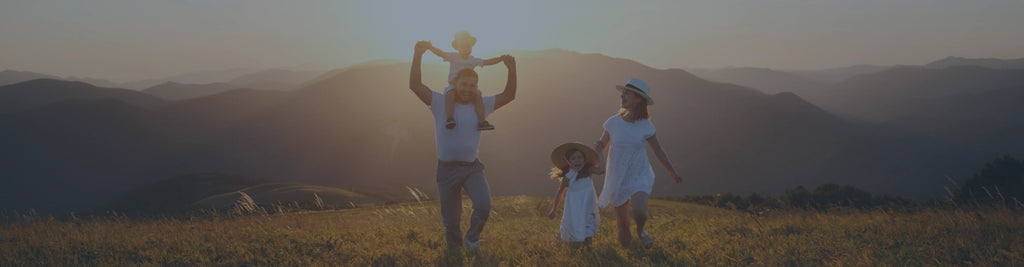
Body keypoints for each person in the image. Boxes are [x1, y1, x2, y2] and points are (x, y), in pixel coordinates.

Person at [408, 40, 517, 250]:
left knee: (484, 206)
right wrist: (418, 55)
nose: (468, 89)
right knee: (451, 222)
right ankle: (455, 254)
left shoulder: (482, 105)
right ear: (455, 83)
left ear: (477, 88)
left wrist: (511, 69)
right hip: (447, 170)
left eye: (473, 86)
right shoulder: (440, 103)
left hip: (472, 168)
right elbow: (415, 85)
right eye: (464, 84)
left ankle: (473, 239)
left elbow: (509, 95)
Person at [593, 78, 683, 249]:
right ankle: (629, 255)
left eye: (627, 94)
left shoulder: (645, 125)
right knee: (623, 226)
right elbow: (601, 147)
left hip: (638, 174)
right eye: (623, 93)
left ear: (639, 99)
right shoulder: (613, 122)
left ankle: (641, 231)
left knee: (640, 211)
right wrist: (596, 150)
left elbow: (659, 151)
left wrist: (673, 172)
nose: (622, 96)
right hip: (617, 176)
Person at [426, 30, 504, 130]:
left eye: (468, 46)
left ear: (471, 47)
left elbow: (487, 62)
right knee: (450, 95)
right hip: (454, 84)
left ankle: (481, 121)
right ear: (457, 47)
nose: (465, 48)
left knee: (478, 96)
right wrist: (431, 48)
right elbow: (441, 53)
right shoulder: (453, 56)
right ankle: (450, 118)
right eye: (462, 46)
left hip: (468, 86)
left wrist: (500, 59)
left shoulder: (473, 60)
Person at [547, 142, 604, 247]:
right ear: (568, 162)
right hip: (574, 209)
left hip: (588, 207)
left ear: (584, 160)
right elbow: (560, 193)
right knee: (575, 241)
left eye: (579, 157)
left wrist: (599, 153)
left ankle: (588, 251)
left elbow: (601, 170)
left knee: (588, 235)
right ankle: (560, 238)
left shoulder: (588, 171)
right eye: (573, 158)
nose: (577, 160)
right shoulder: (568, 177)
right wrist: (554, 209)